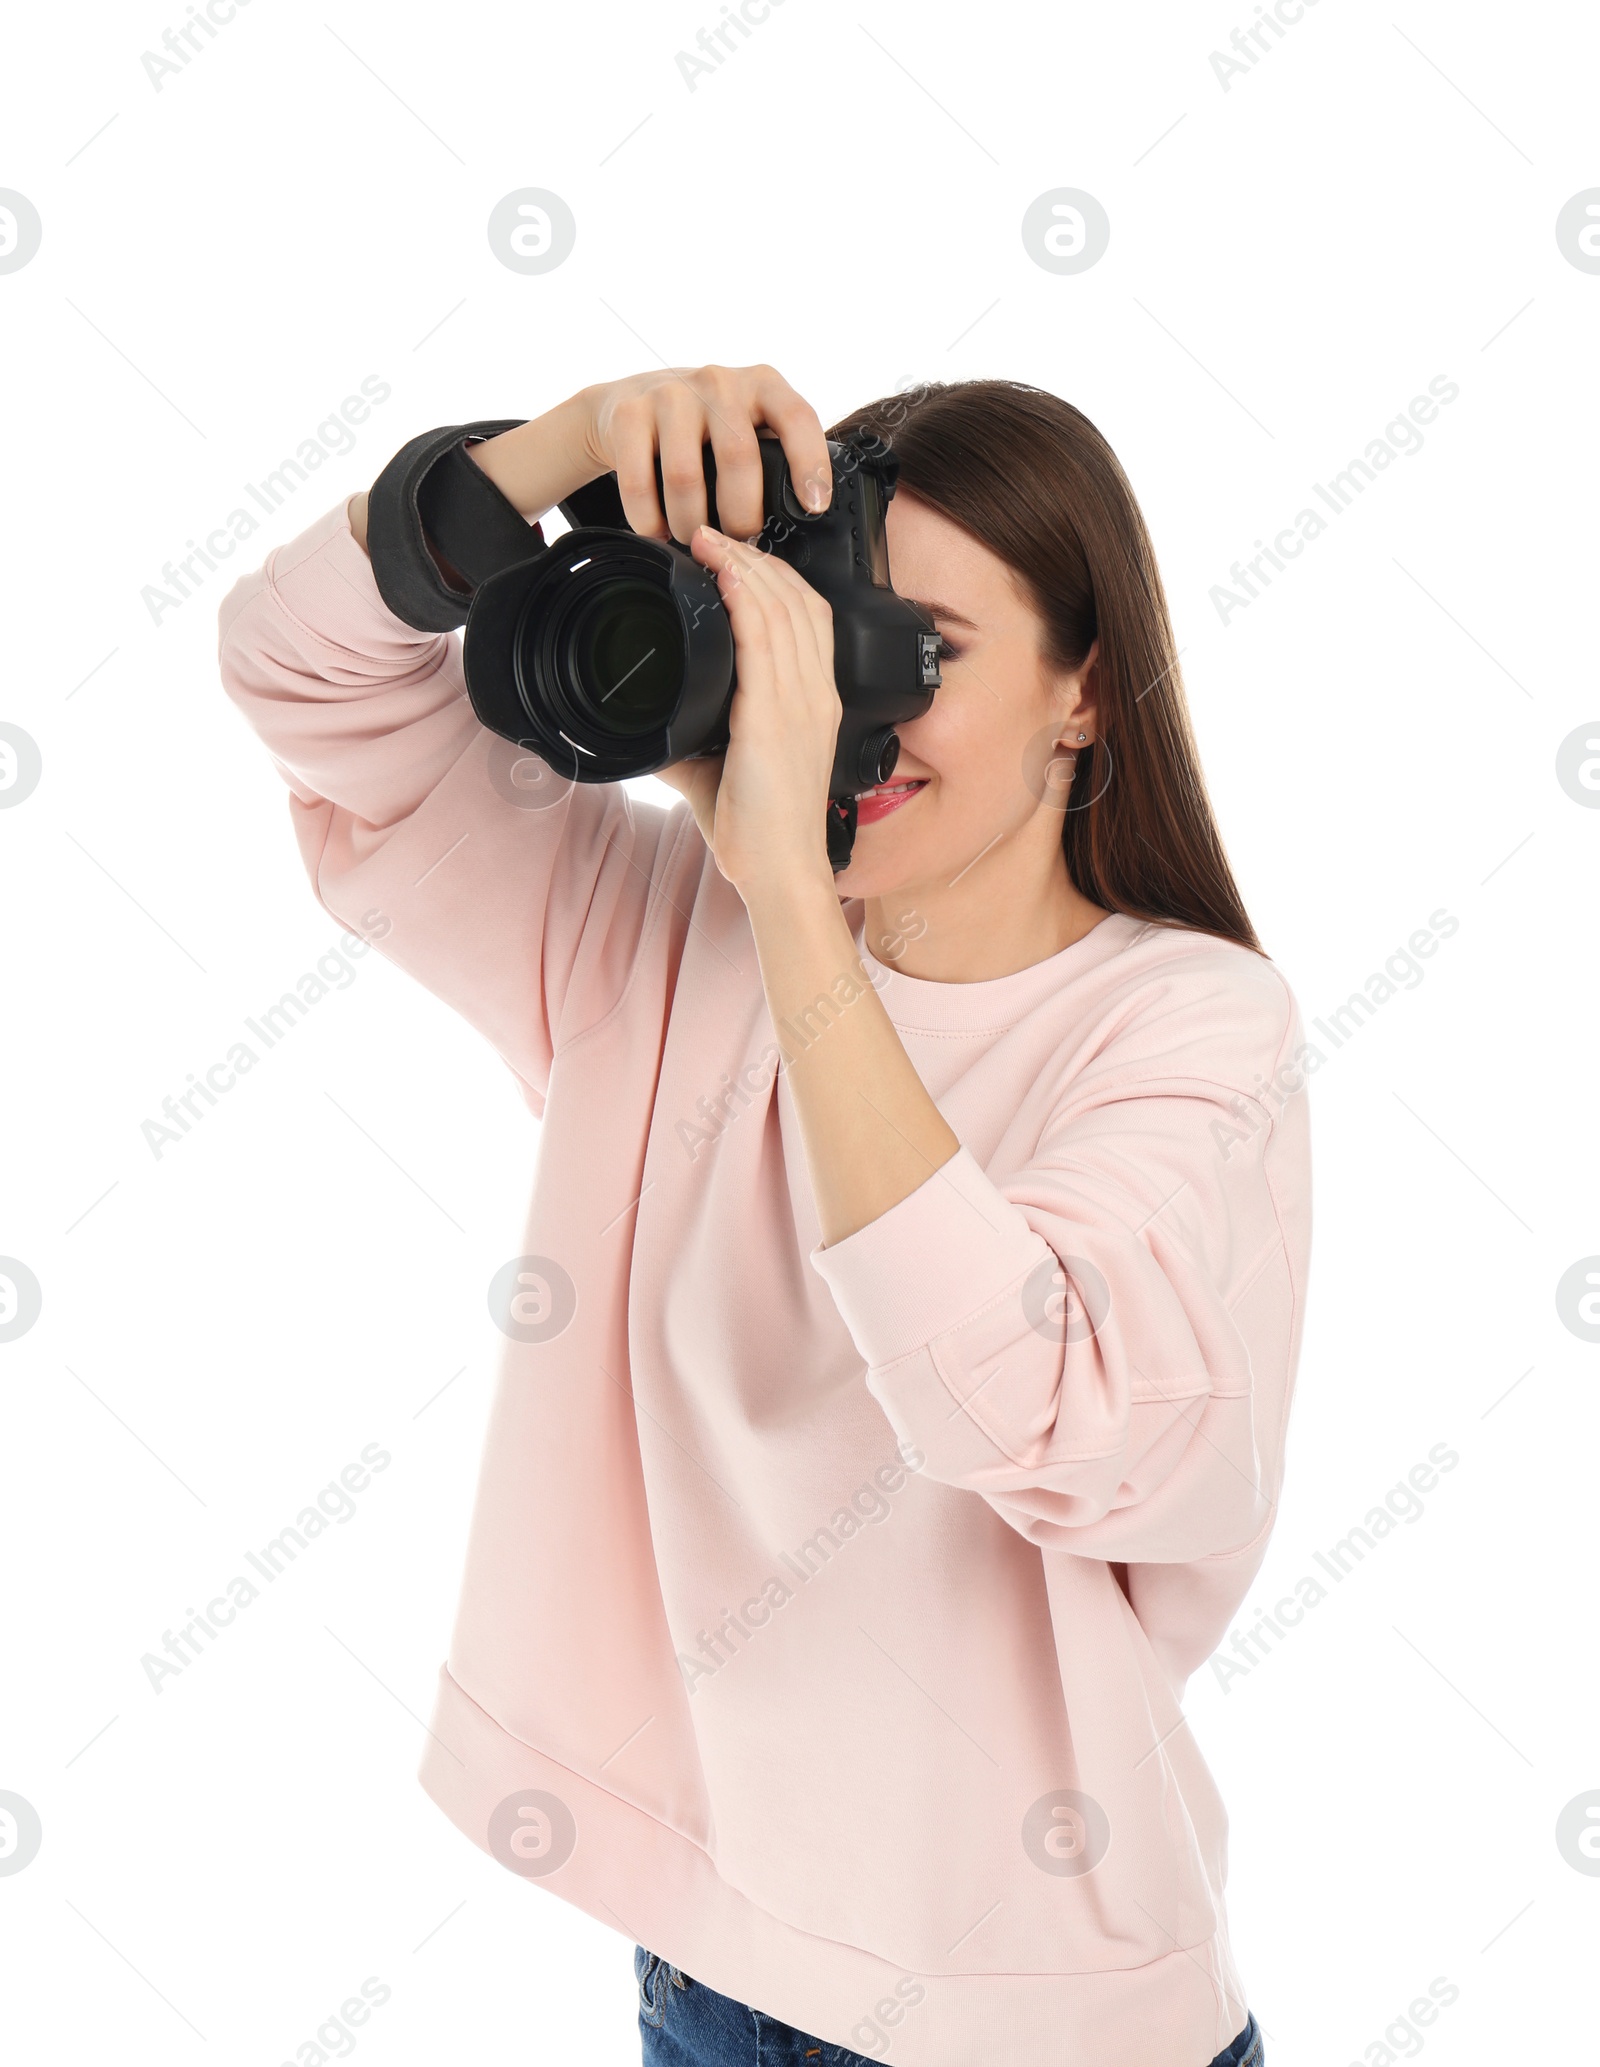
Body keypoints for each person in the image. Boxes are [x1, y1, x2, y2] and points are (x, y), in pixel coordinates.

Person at [217, 363, 1308, 2067]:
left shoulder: (1187, 1025)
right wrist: (573, 446)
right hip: (716, 1973)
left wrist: (791, 896)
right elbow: (296, 671)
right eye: (816, 644)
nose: (850, 717)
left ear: (1085, 690)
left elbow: (1010, 1399)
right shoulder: (651, 935)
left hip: (1040, 2021)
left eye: (918, 655)